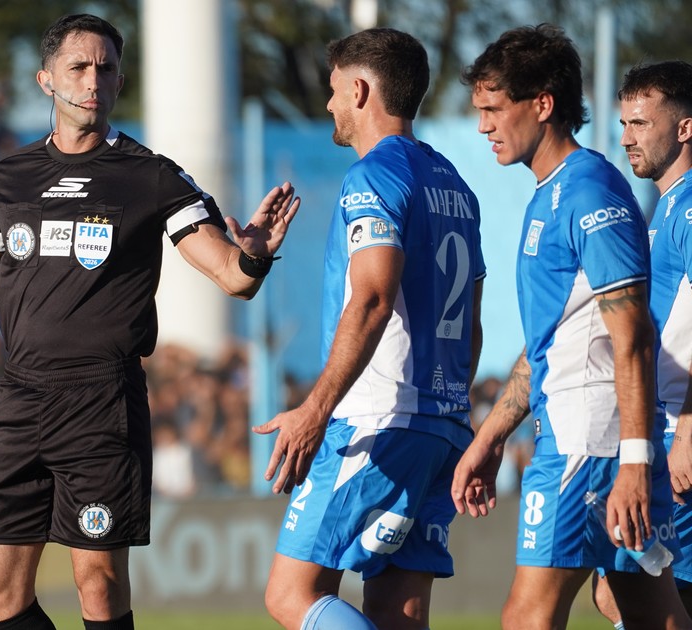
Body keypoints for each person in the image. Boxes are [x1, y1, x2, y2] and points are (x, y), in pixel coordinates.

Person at [0, 13, 298, 630]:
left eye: (106, 69)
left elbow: (233, 278)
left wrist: (254, 253)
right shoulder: (10, 177)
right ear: (46, 79)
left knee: (98, 585)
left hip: (101, 400)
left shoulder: (151, 176)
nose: (94, 80)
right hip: (20, 398)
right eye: (79, 67)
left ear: (120, 83)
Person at [451, 25, 692, 629]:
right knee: (648, 613)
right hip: (594, 436)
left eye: (493, 109)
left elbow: (632, 334)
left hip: (591, 441)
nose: (483, 126)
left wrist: (635, 460)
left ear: (542, 104)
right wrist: (491, 436)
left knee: (527, 618)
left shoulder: (589, 191)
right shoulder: (554, 192)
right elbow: (550, 343)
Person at [252, 28, 484, 629]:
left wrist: (316, 408)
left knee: (291, 594)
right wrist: (451, 412)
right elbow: (472, 325)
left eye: (334, 90)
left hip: (379, 420)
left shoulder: (374, 176)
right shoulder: (456, 186)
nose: (329, 104)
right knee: (396, 613)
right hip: (441, 423)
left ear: (359, 90)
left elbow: (374, 297)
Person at [594, 60, 692, 628]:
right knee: (624, 592)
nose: (627, 138)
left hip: (680, 435)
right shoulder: (664, 206)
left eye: (640, 123)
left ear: (684, 128)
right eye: (623, 124)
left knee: (638, 592)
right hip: (662, 432)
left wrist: (688, 433)